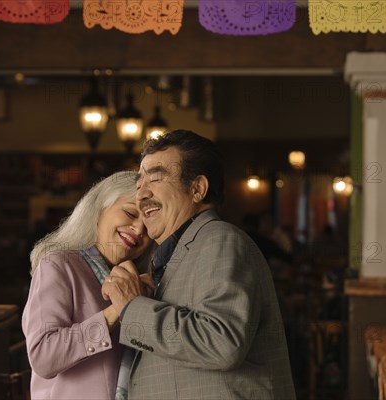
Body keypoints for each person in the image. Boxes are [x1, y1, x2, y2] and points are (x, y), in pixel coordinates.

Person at [102, 130, 296, 399]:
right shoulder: (175, 253)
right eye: (139, 184)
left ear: (197, 189)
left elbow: (221, 342)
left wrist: (131, 307)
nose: (142, 194)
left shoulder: (220, 240)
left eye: (155, 178)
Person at [22, 171, 155, 400]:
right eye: (130, 213)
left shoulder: (141, 283)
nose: (139, 229)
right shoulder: (58, 264)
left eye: (149, 226)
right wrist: (118, 309)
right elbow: (43, 357)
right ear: (99, 208)